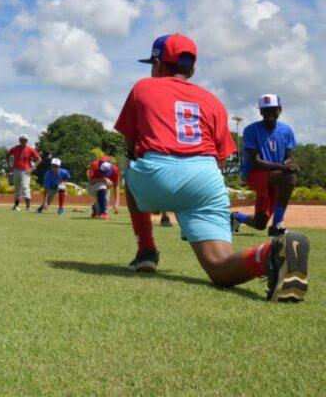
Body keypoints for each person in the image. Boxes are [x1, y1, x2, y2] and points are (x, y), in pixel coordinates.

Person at [115, 33, 309, 302]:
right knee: (220, 267)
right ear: (192, 69)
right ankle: (270, 252)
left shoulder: (143, 87)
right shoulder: (213, 100)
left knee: (132, 173)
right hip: (205, 178)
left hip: (157, 171)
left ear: (157, 65)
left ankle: (146, 251)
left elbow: (130, 145)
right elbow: (221, 156)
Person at [231, 94, 298, 237]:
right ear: (260, 111)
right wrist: (283, 168)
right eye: (265, 110)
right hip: (254, 173)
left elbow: (287, 157)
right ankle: (277, 225)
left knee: (260, 224)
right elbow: (255, 161)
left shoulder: (286, 130)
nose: (269, 114)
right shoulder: (251, 130)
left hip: (274, 175)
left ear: (280, 110)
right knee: (290, 177)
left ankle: (236, 217)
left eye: (273, 109)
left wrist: (288, 163)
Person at [7, 134, 42, 211]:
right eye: (22, 139)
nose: (23, 141)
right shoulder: (15, 148)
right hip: (16, 170)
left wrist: (32, 168)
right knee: (17, 188)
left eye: (25, 140)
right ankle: (16, 206)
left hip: (26, 171)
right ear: (19, 140)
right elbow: (8, 154)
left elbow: (39, 159)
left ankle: (28, 207)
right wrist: (9, 166)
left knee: (25, 187)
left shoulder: (30, 149)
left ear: (27, 141)